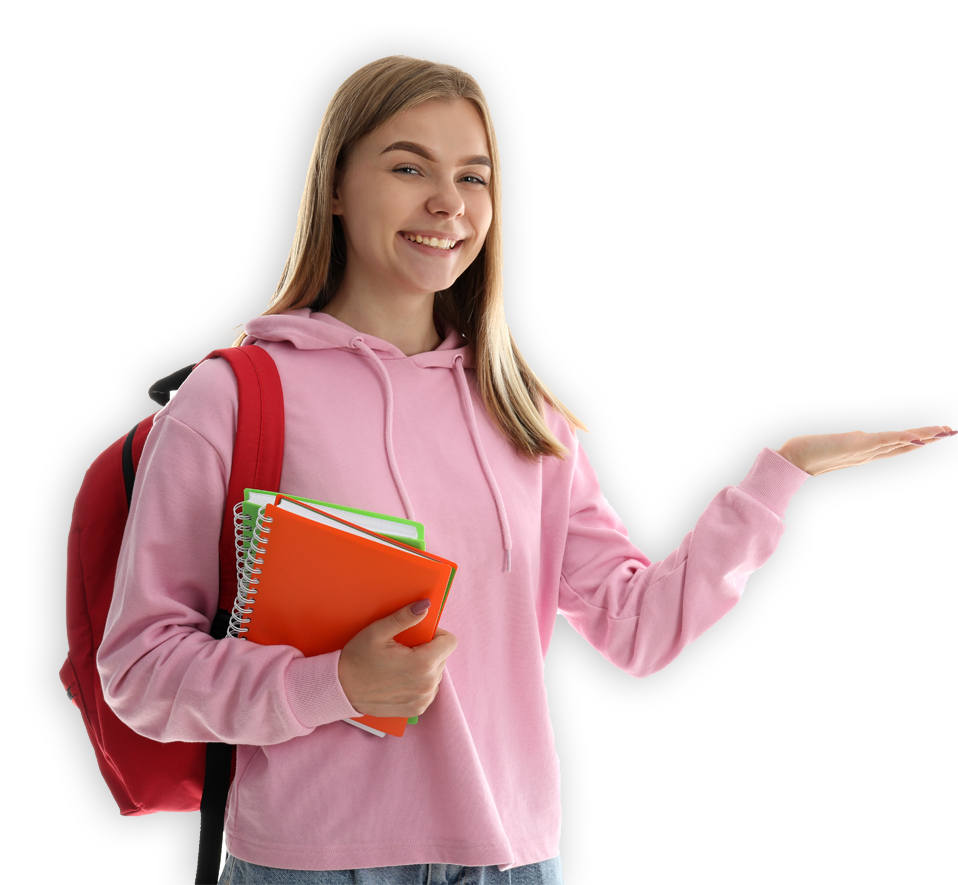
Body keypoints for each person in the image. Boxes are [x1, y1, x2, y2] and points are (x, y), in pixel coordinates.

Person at [96, 55, 954, 885]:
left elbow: (638, 628)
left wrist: (778, 481)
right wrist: (332, 683)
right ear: (334, 190)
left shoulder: (524, 411)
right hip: (310, 861)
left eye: (474, 177)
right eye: (408, 166)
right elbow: (138, 670)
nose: (447, 203)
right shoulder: (237, 395)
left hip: (517, 854)